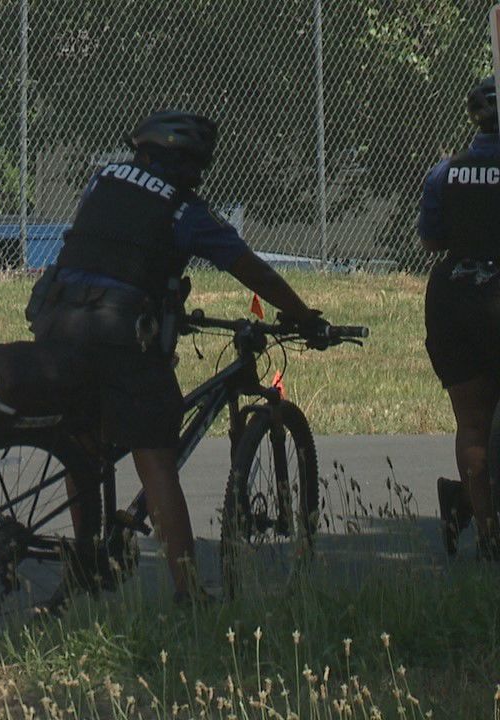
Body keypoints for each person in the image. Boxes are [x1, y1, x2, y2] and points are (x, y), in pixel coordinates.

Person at [29, 110, 326, 602]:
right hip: (120, 331)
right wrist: (303, 314)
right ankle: (189, 593)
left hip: (57, 319)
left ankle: (86, 560)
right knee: (156, 458)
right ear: (188, 164)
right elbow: (251, 269)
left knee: (83, 441)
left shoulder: (103, 180)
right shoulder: (184, 209)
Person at [419, 76, 500, 561]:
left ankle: (486, 535)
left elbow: (431, 240)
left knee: (471, 424)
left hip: (454, 295)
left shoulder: (445, 172)